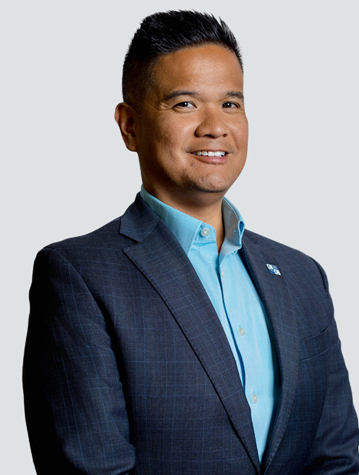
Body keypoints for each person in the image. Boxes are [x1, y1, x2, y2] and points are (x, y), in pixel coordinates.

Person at [23, 10, 359, 475]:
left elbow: (339, 459)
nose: (215, 126)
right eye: (184, 104)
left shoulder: (303, 276)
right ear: (130, 126)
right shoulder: (79, 276)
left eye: (231, 104)